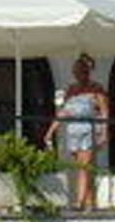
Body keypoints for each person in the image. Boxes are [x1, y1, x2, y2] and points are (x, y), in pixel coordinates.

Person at [45, 55, 111, 210]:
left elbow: (104, 111)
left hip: (89, 130)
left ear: (87, 71)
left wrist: (104, 133)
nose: (78, 74)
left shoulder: (96, 89)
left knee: (84, 167)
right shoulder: (71, 90)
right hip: (73, 132)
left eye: (81, 71)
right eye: (76, 71)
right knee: (82, 167)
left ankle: (79, 202)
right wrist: (51, 130)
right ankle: (90, 202)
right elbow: (64, 112)